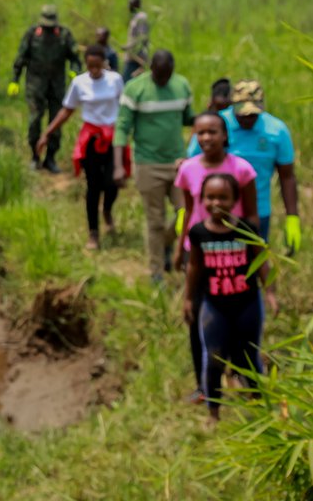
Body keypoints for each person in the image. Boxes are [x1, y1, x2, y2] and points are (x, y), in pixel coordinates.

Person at [174, 111, 259, 403]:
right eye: (201, 133)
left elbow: (250, 215)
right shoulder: (188, 169)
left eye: (212, 132)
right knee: (199, 318)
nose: (206, 138)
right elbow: (187, 211)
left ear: (225, 135)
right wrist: (179, 248)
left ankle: (240, 376)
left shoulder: (242, 169)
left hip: (233, 255)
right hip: (198, 252)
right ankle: (204, 385)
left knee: (236, 316)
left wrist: (257, 255)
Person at [184, 173, 277, 425]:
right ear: (201, 199)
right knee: (213, 357)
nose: (216, 203)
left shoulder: (246, 228)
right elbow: (194, 267)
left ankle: (259, 405)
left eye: (223, 197)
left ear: (235, 200)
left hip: (247, 304)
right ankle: (214, 413)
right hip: (214, 305)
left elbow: (260, 261)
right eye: (210, 197)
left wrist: (269, 291)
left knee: (249, 355)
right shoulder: (199, 232)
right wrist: (188, 299)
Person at [187, 80, 300, 250]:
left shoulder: (276, 131)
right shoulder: (215, 126)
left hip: (257, 211)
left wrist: (292, 217)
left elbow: (287, 176)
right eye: (243, 114)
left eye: (253, 115)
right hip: (215, 211)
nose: (248, 119)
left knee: (252, 266)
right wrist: (186, 210)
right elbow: (192, 168)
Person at [113, 50, 195, 281]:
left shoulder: (181, 86)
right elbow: (122, 127)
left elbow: (188, 117)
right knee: (155, 220)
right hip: (148, 164)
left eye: (167, 76)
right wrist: (119, 165)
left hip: (179, 163)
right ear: (151, 69)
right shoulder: (135, 89)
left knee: (187, 213)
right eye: (159, 76)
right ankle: (156, 272)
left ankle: (168, 244)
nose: (163, 81)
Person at [37, 43, 126, 250]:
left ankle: (107, 210)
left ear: (105, 63)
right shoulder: (79, 83)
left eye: (98, 66)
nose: (94, 70)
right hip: (91, 140)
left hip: (112, 137)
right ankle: (93, 232)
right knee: (93, 186)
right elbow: (66, 111)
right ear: (86, 64)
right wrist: (47, 133)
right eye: (90, 66)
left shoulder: (115, 80)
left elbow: (125, 108)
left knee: (113, 182)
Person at [12, 4, 81, 172]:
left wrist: (74, 72)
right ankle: (35, 156)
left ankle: (50, 158)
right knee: (35, 119)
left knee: (56, 120)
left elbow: (75, 58)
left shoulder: (64, 35)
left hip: (57, 84)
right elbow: (21, 57)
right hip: (35, 84)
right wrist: (15, 79)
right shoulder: (32, 34)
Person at [122, 0, 150, 82]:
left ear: (137, 5)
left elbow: (142, 37)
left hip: (137, 56)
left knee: (128, 80)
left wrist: (128, 47)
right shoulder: (135, 17)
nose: (129, 6)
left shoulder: (141, 17)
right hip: (131, 55)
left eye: (131, 4)